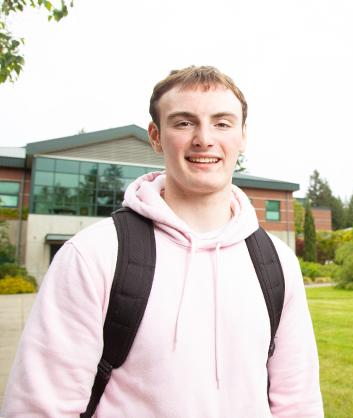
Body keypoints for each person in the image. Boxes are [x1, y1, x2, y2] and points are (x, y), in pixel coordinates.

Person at [2, 66, 324, 417]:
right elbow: (38, 408)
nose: (204, 138)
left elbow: (298, 403)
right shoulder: (94, 255)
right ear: (155, 136)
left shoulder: (276, 262)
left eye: (222, 123)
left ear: (243, 135)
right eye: (184, 122)